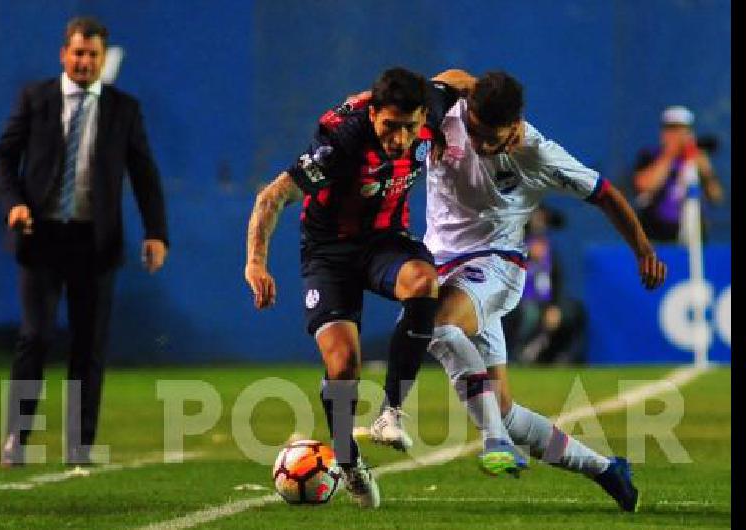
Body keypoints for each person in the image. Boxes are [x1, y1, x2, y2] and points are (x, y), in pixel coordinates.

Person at [367, 69, 667, 512]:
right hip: (438, 264)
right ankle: (606, 470)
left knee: (435, 326)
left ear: (515, 126)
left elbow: (605, 194)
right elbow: (441, 80)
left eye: (494, 137)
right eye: (476, 132)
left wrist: (643, 250)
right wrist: (464, 86)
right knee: (502, 406)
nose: (482, 144)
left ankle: (493, 441)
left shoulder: (538, 153)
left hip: (495, 266)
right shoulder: (445, 112)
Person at [244, 67, 457, 508]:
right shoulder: (339, 142)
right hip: (329, 253)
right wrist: (256, 263)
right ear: (372, 112)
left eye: (410, 127)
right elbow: (272, 197)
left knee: (423, 281)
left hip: (385, 243)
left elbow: (457, 79)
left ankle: (390, 412)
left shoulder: (431, 108)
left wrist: (510, 123)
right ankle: (347, 458)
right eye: (390, 127)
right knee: (343, 367)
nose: (400, 139)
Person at [0, 16, 169, 466]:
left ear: (103, 58)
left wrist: (156, 233)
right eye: (78, 53)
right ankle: (16, 438)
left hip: (95, 242)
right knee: (34, 336)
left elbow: (144, 172)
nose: (85, 61)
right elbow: (4, 155)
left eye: (93, 54)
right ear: (63, 54)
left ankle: (79, 444)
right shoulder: (36, 99)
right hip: (42, 238)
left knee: (88, 345)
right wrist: (14, 202)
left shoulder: (122, 108)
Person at [503, 206, 587, 365]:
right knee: (529, 313)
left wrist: (554, 306)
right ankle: (518, 354)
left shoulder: (550, 250)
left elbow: (557, 281)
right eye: (535, 217)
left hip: (546, 301)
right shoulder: (515, 244)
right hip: (522, 300)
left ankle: (558, 356)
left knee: (574, 312)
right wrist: (527, 255)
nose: (539, 221)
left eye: (542, 217)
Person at [631, 105, 724, 243]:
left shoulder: (696, 159)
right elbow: (644, 185)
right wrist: (669, 155)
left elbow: (717, 197)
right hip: (657, 236)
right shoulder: (650, 155)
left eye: (682, 130)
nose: (677, 135)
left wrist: (705, 170)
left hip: (693, 237)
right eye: (671, 129)